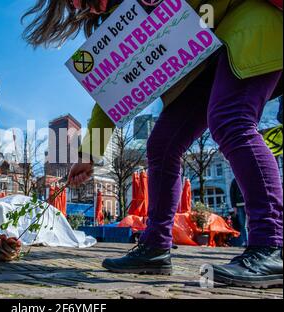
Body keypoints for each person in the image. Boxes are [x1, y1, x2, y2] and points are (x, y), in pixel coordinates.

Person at [23, 0, 283, 288]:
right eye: (78, 7)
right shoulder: (123, 20)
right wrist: (89, 153)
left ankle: (272, 245)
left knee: (231, 119)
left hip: (249, 25)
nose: (85, 9)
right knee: (162, 145)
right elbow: (110, 92)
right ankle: (155, 248)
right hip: (208, 58)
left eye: (85, 0)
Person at [229, 178, 248, 247]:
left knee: (251, 224)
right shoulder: (235, 180)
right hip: (239, 205)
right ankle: (246, 242)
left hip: (250, 204)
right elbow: (232, 193)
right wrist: (234, 206)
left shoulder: (249, 178)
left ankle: (251, 242)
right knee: (243, 225)